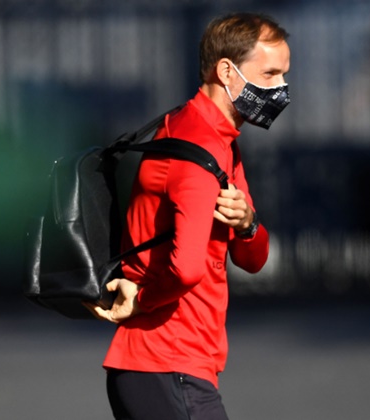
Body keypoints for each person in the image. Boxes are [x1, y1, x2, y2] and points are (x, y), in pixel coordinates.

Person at [84, 12, 291, 420]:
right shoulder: (198, 147)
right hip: (169, 362)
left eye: (283, 76)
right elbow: (186, 269)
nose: (281, 90)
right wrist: (141, 301)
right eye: (269, 75)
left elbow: (252, 259)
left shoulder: (213, 138)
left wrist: (247, 223)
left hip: (168, 365)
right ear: (227, 72)